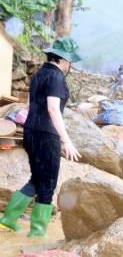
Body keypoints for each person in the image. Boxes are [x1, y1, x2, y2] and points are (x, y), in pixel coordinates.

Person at [0, 37, 84, 237]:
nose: (71, 64)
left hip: (31, 131)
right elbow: (53, 110)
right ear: (63, 58)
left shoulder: (39, 73)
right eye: (70, 60)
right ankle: (37, 233)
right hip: (46, 135)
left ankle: (8, 220)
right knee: (48, 183)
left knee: (37, 178)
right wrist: (66, 140)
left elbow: (29, 106)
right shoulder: (56, 77)